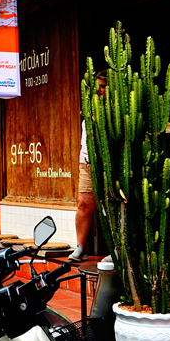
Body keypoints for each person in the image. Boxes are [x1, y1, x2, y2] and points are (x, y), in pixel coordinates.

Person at [69, 71, 107, 262]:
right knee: (84, 204)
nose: (100, 91)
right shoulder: (89, 110)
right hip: (87, 164)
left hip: (109, 165)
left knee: (112, 207)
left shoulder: (117, 112)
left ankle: (118, 250)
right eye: (98, 87)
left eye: (104, 87)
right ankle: (81, 247)